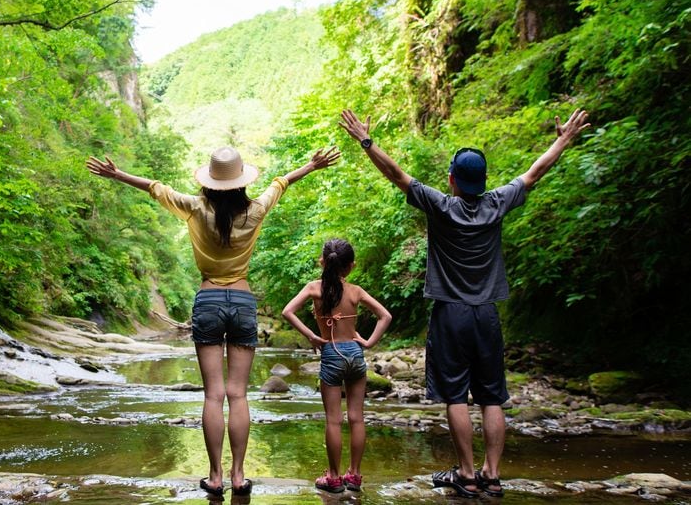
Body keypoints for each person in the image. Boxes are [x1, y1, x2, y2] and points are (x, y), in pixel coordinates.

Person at [339, 108, 590, 498]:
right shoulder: (497, 203)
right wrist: (564, 139)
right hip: (487, 313)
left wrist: (366, 141)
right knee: (492, 396)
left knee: (455, 395)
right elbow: (535, 173)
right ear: (483, 180)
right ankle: (492, 473)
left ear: (453, 179)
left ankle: (468, 474)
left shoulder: (441, 206)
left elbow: (396, 175)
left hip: (449, 313)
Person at [86, 145, 340, 497]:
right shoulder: (254, 210)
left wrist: (117, 174)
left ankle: (215, 476)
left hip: (207, 301)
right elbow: (282, 182)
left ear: (210, 182)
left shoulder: (194, 209)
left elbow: (154, 187)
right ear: (240, 183)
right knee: (238, 394)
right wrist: (311, 165)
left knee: (213, 395)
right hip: (242, 300)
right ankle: (238, 476)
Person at [281, 238, 392, 494]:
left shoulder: (314, 288)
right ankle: (353, 475)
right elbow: (385, 315)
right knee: (356, 417)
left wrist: (312, 336)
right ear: (351, 266)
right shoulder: (356, 291)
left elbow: (288, 311)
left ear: (322, 262)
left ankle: (332, 477)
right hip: (355, 353)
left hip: (331, 353)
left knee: (333, 420)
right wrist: (369, 342)